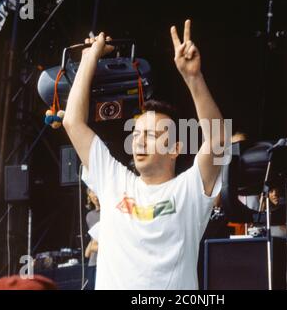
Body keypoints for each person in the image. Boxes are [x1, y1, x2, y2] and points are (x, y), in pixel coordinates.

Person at [63, 19, 225, 289]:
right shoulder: (114, 180)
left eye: (150, 135)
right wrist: (89, 58)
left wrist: (193, 78)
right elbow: (73, 122)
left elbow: (218, 139)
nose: (139, 142)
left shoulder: (189, 190)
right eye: (136, 135)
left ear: (175, 148)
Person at [84, 188, 100, 290]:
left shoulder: (112, 211)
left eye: (96, 191)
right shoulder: (90, 216)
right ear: (89, 196)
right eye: (91, 192)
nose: (94, 195)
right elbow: (94, 242)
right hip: (95, 263)